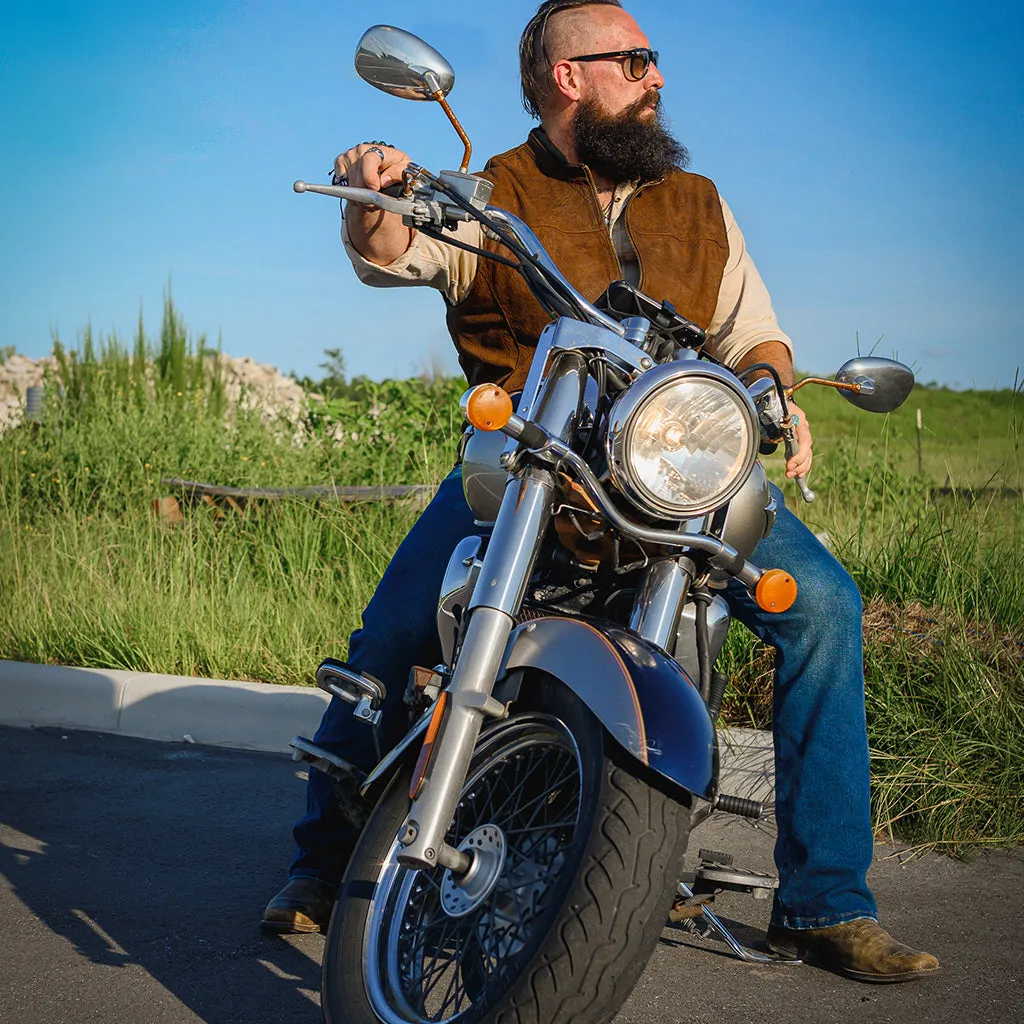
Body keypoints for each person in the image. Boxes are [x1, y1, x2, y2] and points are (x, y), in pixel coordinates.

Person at [263, 0, 939, 983]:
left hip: (679, 469)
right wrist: (370, 191)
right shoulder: (492, 188)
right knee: (401, 624)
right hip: (539, 457)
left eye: (652, 59)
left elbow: (755, 333)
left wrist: (778, 394)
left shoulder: (696, 199)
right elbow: (391, 246)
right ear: (569, 76)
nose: (656, 74)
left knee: (827, 607)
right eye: (636, 59)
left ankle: (824, 901)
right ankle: (321, 865)